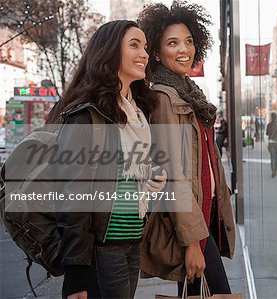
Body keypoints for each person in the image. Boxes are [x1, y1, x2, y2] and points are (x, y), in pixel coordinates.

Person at [45, 20, 167, 299]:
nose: (145, 54)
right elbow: (72, 195)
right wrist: (76, 275)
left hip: (132, 240)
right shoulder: (86, 115)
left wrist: (149, 174)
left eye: (145, 47)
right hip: (102, 247)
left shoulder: (138, 113)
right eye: (134, 45)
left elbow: (124, 171)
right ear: (110, 51)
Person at [137, 1, 235, 297]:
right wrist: (192, 243)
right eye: (173, 43)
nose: (184, 50)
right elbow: (173, 174)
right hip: (193, 226)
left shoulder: (188, 93)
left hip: (203, 215)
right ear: (156, 52)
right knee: (218, 291)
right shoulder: (165, 99)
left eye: (189, 41)